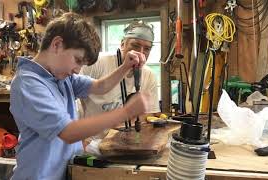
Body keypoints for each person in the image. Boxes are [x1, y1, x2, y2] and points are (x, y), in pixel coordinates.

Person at [9, 12, 151, 180]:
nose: (77, 69)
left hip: (65, 171)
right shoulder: (29, 83)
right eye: (78, 60)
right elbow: (68, 132)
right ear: (57, 44)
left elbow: (100, 86)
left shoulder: (60, 76)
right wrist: (126, 112)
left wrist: (126, 66)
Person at [79, 19, 160, 142]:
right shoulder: (96, 63)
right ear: (122, 44)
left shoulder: (149, 76)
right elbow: (72, 96)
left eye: (147, 49)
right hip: (91, 142)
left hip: (124, 143)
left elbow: (149, 114)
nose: (141, 53)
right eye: (135, 45)